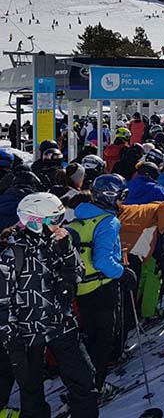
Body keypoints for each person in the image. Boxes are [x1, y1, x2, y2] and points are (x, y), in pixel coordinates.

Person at [0, 192, 99, 418]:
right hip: (27, 334)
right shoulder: (10, 254)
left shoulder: (57, 242)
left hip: (60, 325)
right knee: (32, 393)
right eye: (54, 220)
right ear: (34, 221)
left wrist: (67, 250)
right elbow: (2, 303)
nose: (59, 225)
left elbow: (78, 275)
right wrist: (11, 340)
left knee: (84, 381)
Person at [67, 174, 137, 395]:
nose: (122, 203)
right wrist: (122, 273)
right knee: (103, 340)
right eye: (121, 197)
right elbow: (102, 260)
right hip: (102, 286)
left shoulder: (80, 217)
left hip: (83, 286)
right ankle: (94, 387)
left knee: (88, 336)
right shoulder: (108, 221)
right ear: (110, 196)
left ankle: (83, 382)